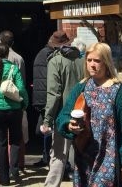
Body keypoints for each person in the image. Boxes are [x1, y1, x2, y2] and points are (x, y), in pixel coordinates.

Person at [57, 43, 122, 187]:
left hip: (108, 161)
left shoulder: (119, 92)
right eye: (89, 60)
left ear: (106, 62)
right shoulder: (81, 88)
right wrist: (69, 125)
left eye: (97, 61)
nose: (92, 65)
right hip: (83, 160)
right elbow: (63, 115)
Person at [41, 31, 84, 187]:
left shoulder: (55, 61)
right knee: (80, 154)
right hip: (82, 113)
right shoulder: (82, 60)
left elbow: (54, 94)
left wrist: (47, 120)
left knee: (59, 155)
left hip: (63, 116)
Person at [0, 43, 28, 186]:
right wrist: (24, 103)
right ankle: (14, 170)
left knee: (1, 144)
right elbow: (21, 88)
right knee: (15, 141)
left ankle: (3, 179)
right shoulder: (13, 68)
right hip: (14, 109)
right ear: (8, 54)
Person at [31, 35, 55, 168]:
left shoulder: (41, 54)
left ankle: (46, 156)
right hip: (48, 97)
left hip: (40, 98)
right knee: (47, 129)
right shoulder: (51, 56)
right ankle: (48, 157)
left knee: (42, 129)